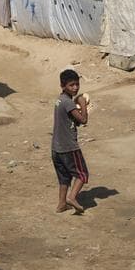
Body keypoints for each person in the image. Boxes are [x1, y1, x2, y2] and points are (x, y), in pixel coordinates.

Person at [52, 68, 89, 214]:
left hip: (56, 148)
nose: (75, 88)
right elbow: (83, 120)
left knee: (64, 177)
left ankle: (61, 205)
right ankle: (72, 197)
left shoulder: (60, 100)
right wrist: (83, 104)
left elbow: (74, 121)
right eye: (71, 85)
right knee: (82, 174)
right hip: (68, 147)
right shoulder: (68, 103)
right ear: (63, 86)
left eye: (77, 84)